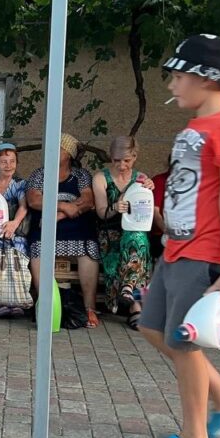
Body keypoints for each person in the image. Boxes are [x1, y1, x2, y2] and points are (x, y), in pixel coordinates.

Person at [138, 34, 220, 438]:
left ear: (205, 78)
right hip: (177, 251)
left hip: (206, 254)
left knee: (185, 344)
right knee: (152, 327)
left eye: (177, 77)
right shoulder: (196, 128)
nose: (172, 86)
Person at [26, 133, 101, 327]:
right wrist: (63, 206)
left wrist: (61, 214)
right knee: (38, 249)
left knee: (88, 250)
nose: (52, 152)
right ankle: (45, 306)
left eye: (58, 149)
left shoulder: (80, 175)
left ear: (68, 154)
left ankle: (89, 308)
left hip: (75, 225)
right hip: (45, 224)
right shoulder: (39, 174)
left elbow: (87, 200)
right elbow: (34, 200)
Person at [92, 136, 154, 329]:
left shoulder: (141, 179)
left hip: (135, 233)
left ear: (134, 157)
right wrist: (115, 208)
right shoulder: (101, 178)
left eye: (126, 160)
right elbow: (101, 212)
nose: (121, 165)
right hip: (110, 234)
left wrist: (148, 191)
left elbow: (147, 212)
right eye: (116, 160)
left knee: (136, 237)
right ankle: (136, 306)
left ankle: (128, 291)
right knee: (138, 245)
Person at [0, 143, 30, 319]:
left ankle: (17, 301)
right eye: (4, 162)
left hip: (13, 230)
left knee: (18, 254)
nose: (8, 165)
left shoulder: (20, 183)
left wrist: (14, 223)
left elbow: (24, 206)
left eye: (12, 161)